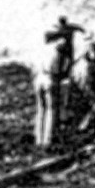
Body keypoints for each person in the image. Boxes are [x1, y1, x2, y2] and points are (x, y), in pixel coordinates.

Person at [35, 16, 81, 148]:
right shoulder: (62, 45)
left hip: (40, 78)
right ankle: (47, 142)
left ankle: (39, 139)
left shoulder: (44, 45)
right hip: (51, 79)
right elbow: (66, 65)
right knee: (51, 110)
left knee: (41, 110)